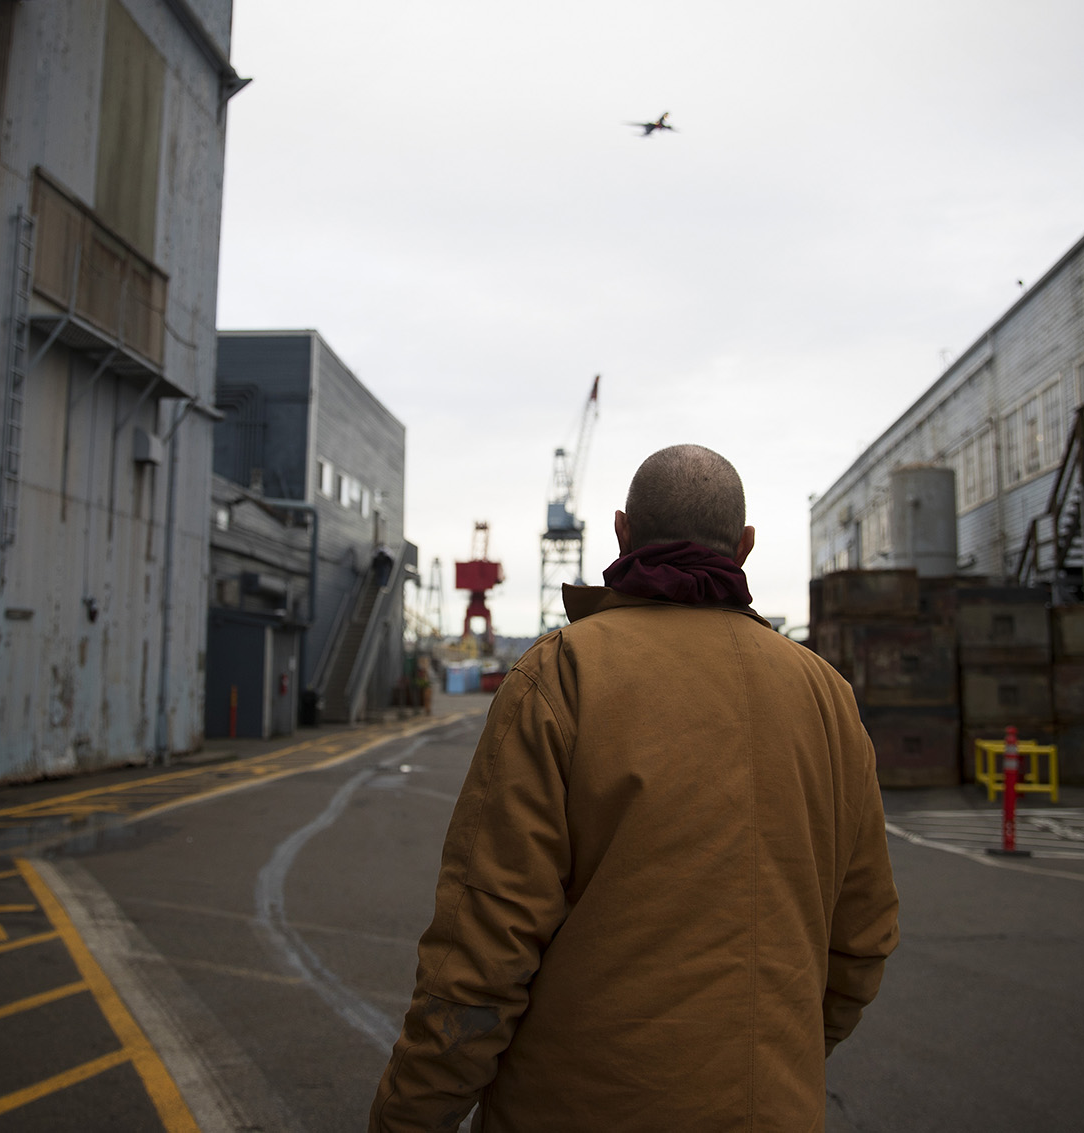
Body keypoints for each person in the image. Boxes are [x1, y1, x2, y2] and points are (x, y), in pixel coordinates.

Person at [369, 444, 899, 1132]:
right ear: (744, 546)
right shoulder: (827, 697)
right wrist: (779, 1055)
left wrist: (408, 1115)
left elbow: (481, 950)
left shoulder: (561, 676)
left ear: (621, 532)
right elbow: (862, 937)